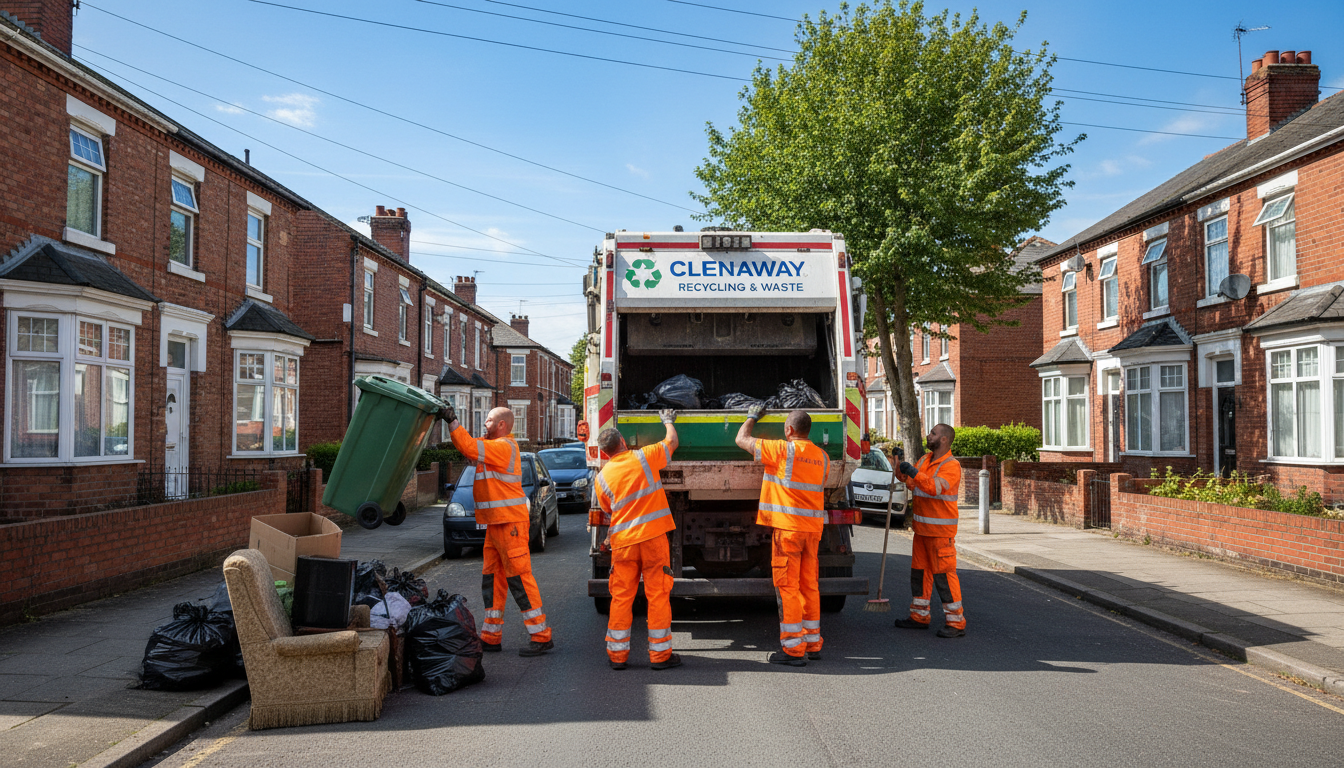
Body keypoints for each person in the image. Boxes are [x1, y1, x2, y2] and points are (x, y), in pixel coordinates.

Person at [446, 405, 553, 656]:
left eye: (489, 420)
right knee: (493, 579)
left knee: (519, 578)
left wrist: (452, 421)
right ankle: (491, 636)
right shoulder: (495, 448)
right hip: (496, 524)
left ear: (502, 425)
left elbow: (470, 448)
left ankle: (541, 635)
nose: (485, 424)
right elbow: (472, 450)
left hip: (510, 525)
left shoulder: (504, 447)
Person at [736, 406, 829, 667]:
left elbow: (741, 440)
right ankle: (812, 642)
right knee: (809, 585)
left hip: (788, 530)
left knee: (787, 587)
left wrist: (752, 417)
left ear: (788, 430)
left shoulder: (782, 450)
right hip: (812, 531)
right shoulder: (822, 456)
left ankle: (793, 649)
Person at [594, 409, 681, 671]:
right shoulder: (643, 457)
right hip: (653, 539)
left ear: (606, 453)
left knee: (621, 597)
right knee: (657, 595)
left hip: (623, 543)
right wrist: (668, 421)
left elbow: (608, 510)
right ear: (623, 442)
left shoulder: (601, 478)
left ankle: (617, 656)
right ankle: (660, 656)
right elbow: (672, 442)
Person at [892, 423, 966, 638]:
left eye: (933, 433)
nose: (928, 435)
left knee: (944, 576)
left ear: (943, 439)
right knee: (919, 574)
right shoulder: (925, 459)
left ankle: (956, 622)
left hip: (941, 533)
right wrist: (898, 464)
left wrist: (914, 472)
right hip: (922, 530)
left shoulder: (951, 465)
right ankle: (919, 616)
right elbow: (908, 481)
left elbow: (934, 487)